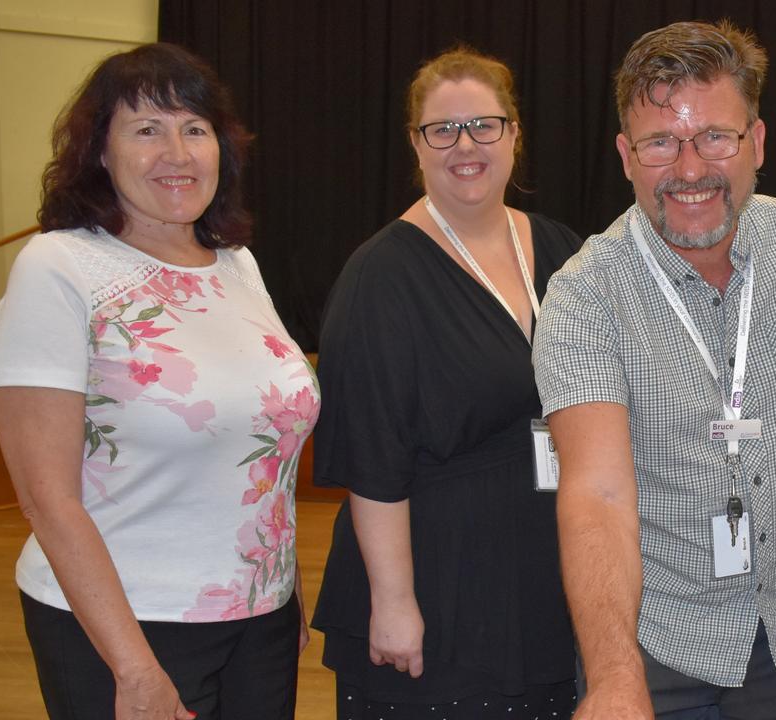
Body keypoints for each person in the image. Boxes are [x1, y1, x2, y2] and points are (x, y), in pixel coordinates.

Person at [533, 20, 776, 720]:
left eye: (715, 136)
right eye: (661, 142)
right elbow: (595, 494)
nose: (690, 170)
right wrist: (613, 677)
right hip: (656, 646)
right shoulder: (584, 294)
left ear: (757, 141)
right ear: (627, 155)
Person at [0, 43, 318, 720]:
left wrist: (280, 585)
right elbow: (47, 501)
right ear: (100, 154)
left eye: (195, 128)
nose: (178, 152)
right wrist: (133, 668)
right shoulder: (59, 268)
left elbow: (259, 440)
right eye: (147, 130)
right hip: (125, 625)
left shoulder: (236, 265)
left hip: (259, 617)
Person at [310, 47, 581, 720]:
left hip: (545, 577)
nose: (466, 145)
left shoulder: (565, 252)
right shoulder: (380, 278)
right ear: (417, 144)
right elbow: (372, 461)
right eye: (443, 129)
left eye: (484, 125)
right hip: (439, 588)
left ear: (514, 134)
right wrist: (395, 601)